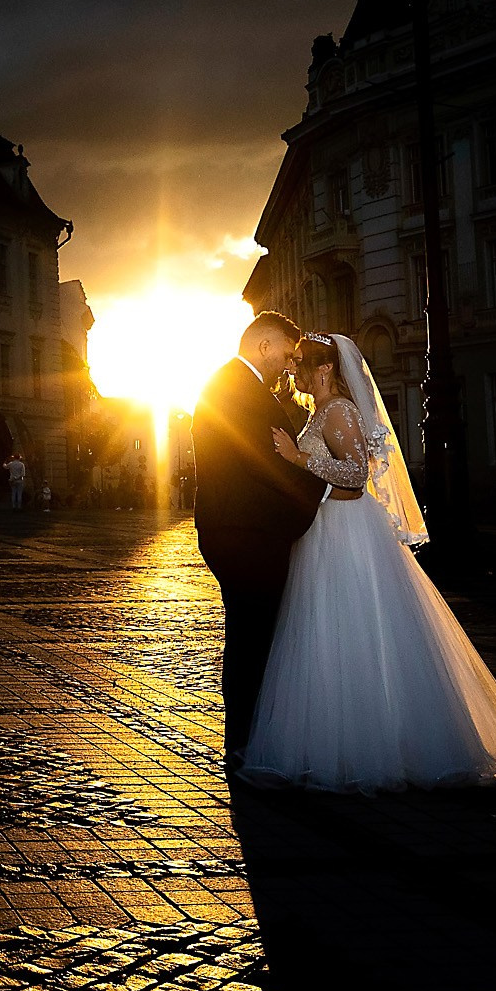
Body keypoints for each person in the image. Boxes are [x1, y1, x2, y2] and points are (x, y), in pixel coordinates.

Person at [242, 333, 496, 793]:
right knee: (322, 631)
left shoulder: (339, 409)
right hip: (324, 528)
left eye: (300, 362)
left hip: (346, 530)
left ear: (324, 370)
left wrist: (298, 457)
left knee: (356, 626)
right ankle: (328, 739)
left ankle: (373, 745)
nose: (292, 369)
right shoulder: (319, 411)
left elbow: (357, 473)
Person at [192, 311, 324, 760]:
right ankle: (244, 744)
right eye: (287, 355)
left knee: (250, 634)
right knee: (252, 638)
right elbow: (265, 463)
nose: (290, 366)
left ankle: (246, 739)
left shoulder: (234, 385)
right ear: (264, 346)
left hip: (240, 529)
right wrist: (323, 487)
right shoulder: (236, 389)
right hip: (246, 532)